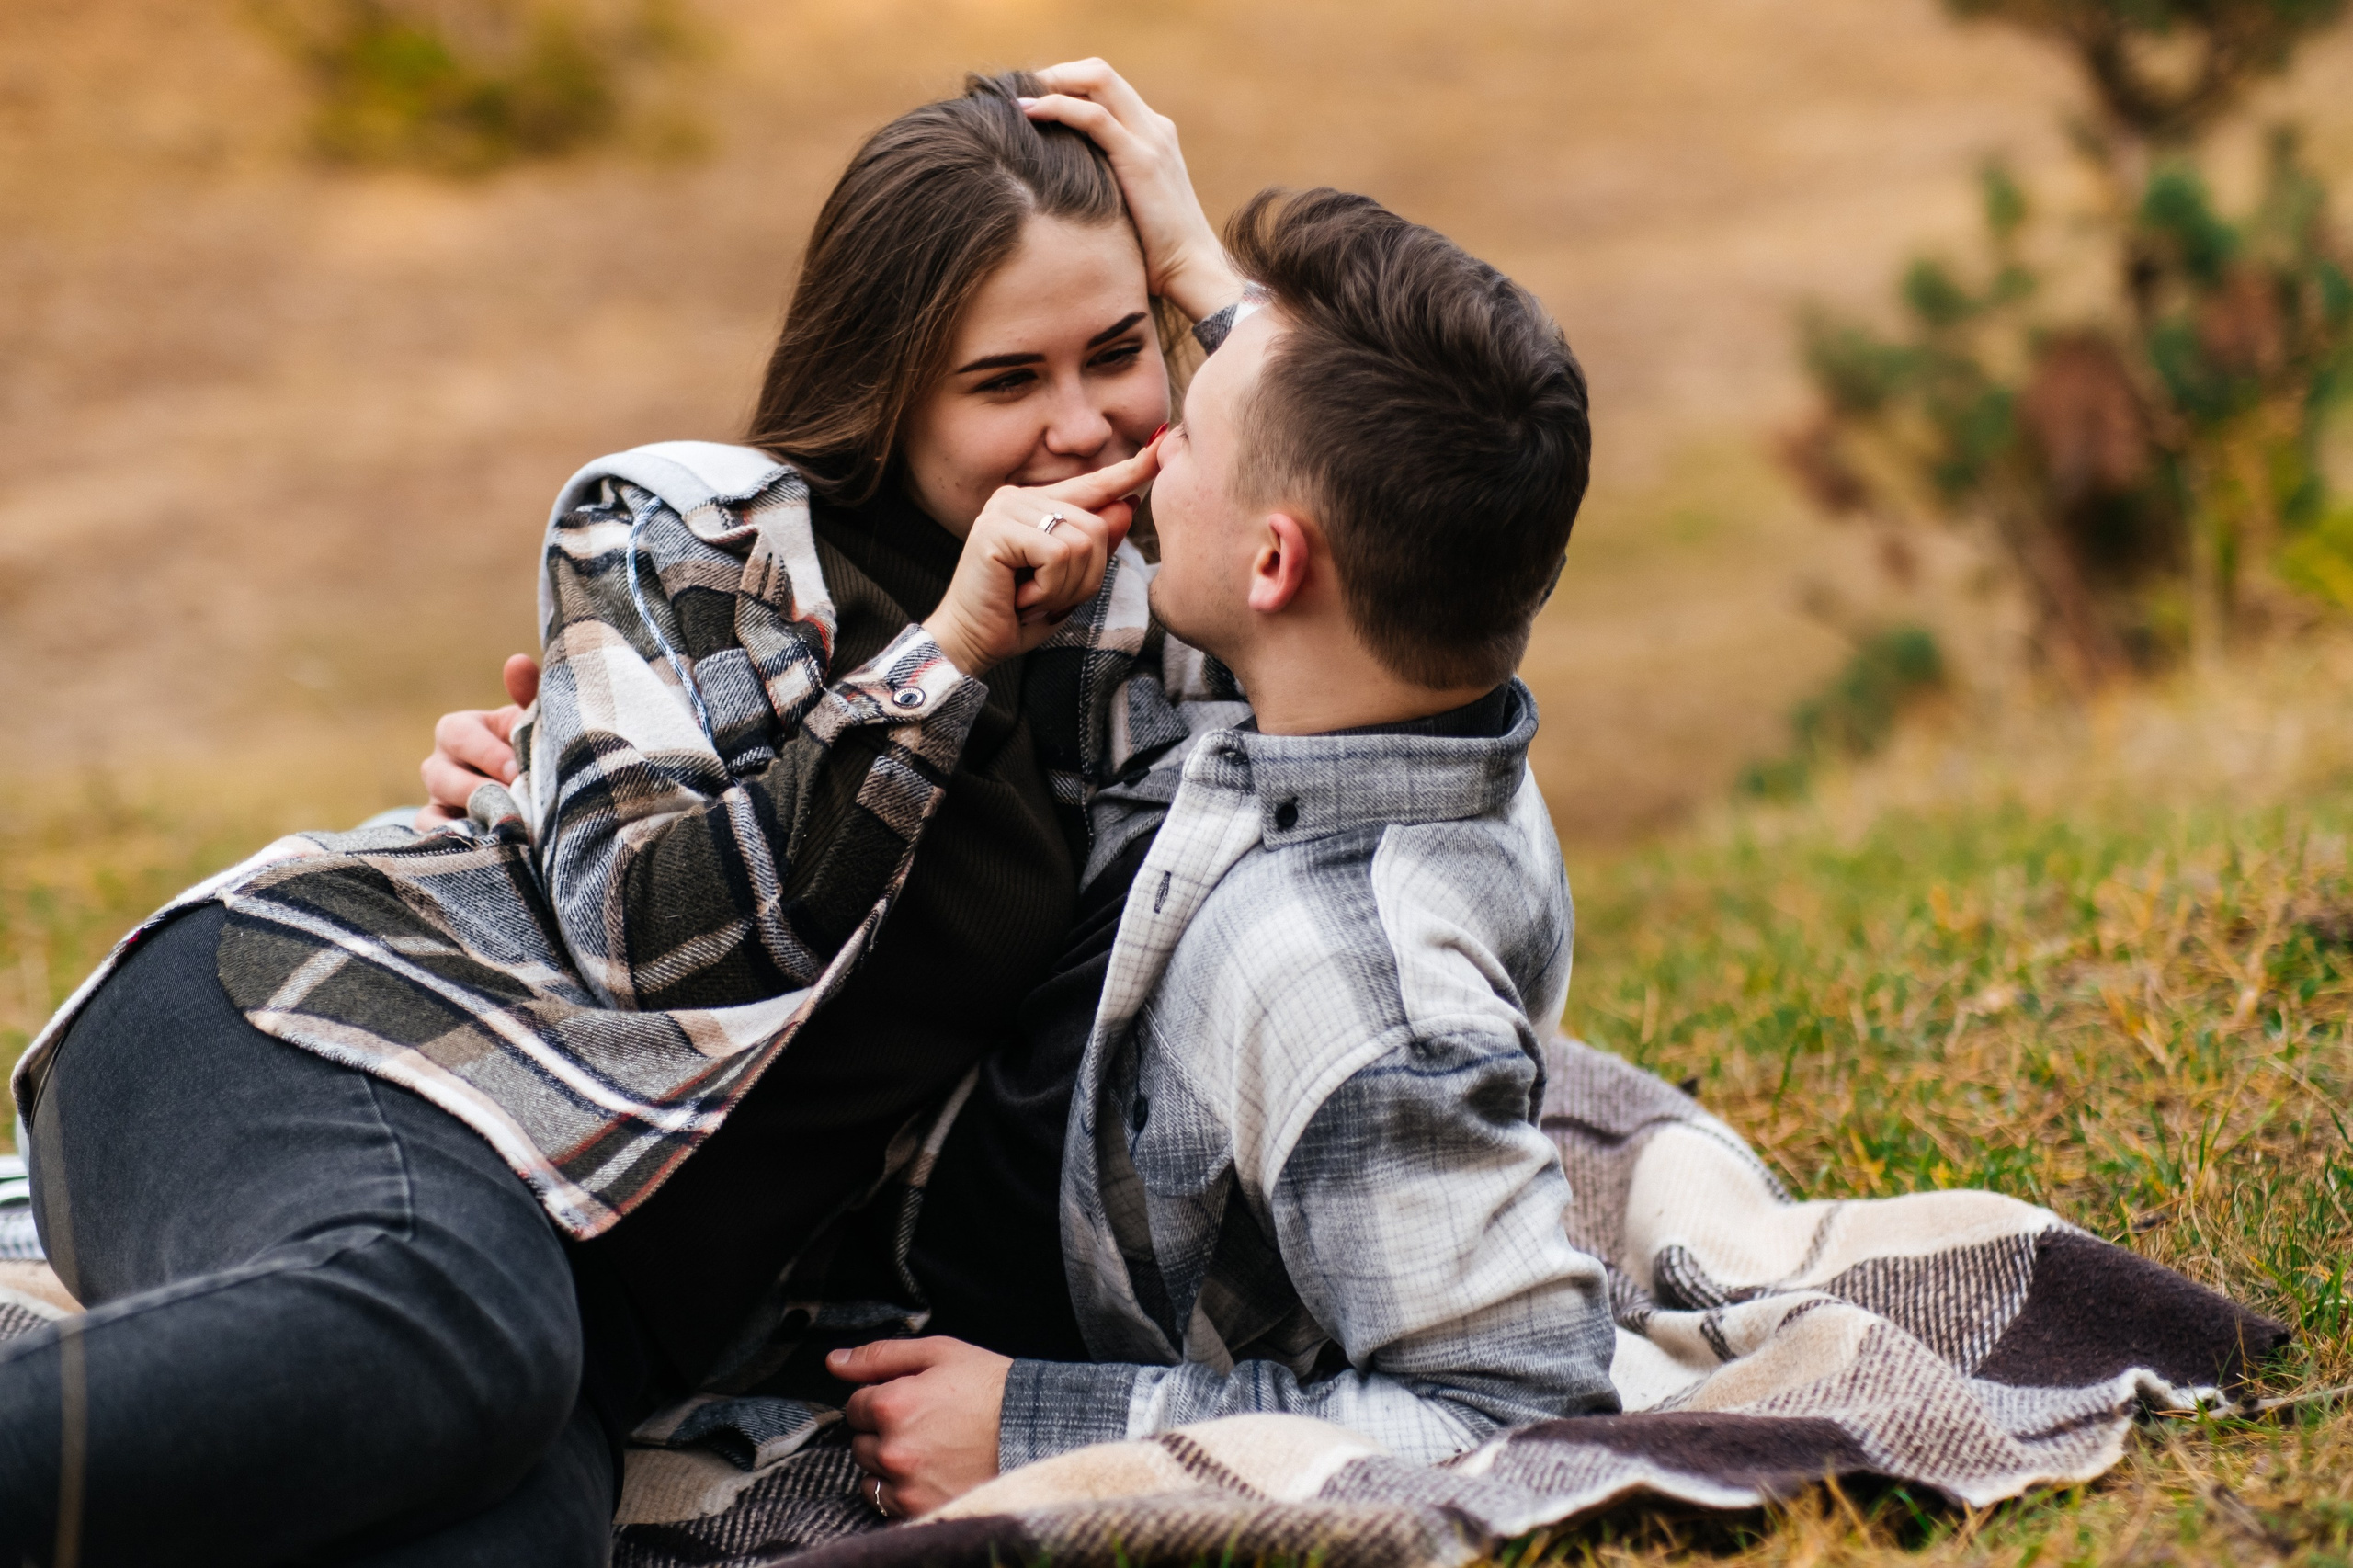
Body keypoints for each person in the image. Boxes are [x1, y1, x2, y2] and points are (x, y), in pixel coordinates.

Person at [1, 64, 1245, 1566]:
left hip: (591, 1307)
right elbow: (652, 942)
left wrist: (1213, 284)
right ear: (889, 390)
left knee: (514, 1530)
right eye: (1003, 382)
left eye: (1120, 351)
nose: (1076, 424)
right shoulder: (691, 532)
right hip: (326, 1046)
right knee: (454, 1322)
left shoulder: (1150, 637)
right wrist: (943, 659)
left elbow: (1382, 575)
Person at [820, 187, 1619, 1518]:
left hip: (866, 1275)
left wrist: (1042, 1431)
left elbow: (1520, 1413)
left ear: (1275, 562)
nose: (1140, 451)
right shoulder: (1373, 702)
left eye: (1186, 433)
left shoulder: (1364, 998)